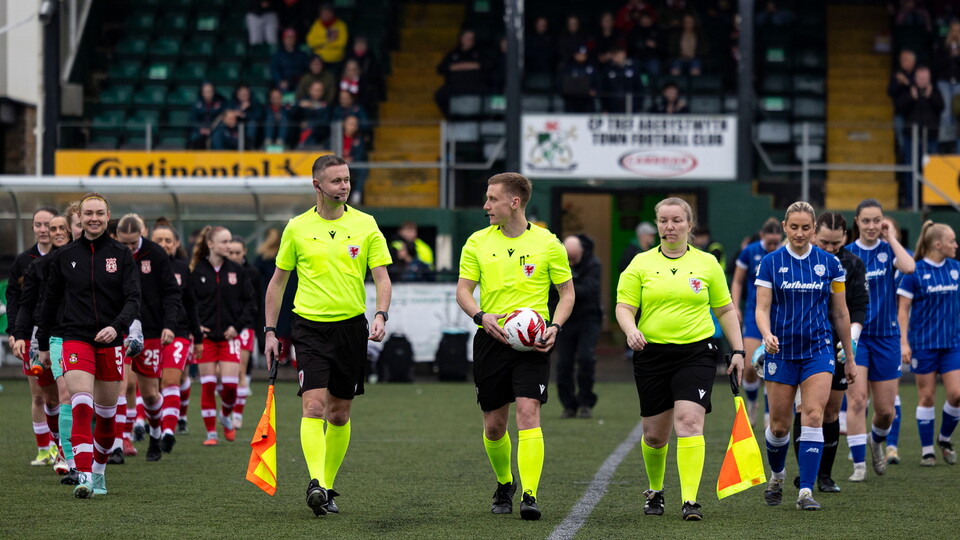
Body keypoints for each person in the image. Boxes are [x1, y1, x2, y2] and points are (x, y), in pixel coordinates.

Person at [263, 154, 393, 516]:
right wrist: (271, 331)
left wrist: (381, 314)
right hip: (309, 328)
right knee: (314, 406)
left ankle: (328, 485)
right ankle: (316, 483)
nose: (344, 186)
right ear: (317, 185)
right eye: (336, 180)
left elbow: (382, 278)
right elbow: (277, 283)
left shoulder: (366, 224)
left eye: (347, 179)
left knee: (339, 414)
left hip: (352, 328)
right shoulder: (297, 227)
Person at [616, 197, 744, 521]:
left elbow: (726, 309)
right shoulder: (640, 263)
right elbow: (624, 307)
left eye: (676, 220)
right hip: (652, 354)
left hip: (696, 353)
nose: (669, 227)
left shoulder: (707, 264)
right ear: (657, 224)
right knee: (655, 435)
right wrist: (631, 330)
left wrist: (739, 350)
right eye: (663, 221)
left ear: (690, 225)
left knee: (688, 422)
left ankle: (690, 501)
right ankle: (655, 490)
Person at [457, 172, 574, 521]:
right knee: (494, 426)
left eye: (492, 199)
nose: (486, 205)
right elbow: (463, 290)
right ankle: (505, 482)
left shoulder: (549, 243)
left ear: (515, 202)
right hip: (492, 339)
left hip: (534, 344)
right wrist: (481, 315)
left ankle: (530, 494)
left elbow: (567, 294)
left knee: (528, 412)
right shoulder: (477, 242)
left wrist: (555, 326)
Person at [35, 193, 141, 498]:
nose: (93, 218)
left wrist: (116, 326)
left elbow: (134, 300)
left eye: (99, 212)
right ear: (79, 218)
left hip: (111, 341)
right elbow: (50, 302)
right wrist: (43, 344)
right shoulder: (64, 256)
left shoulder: (121, 255)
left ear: (108, 216)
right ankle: (81, 474)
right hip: (75, 338)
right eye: (87, 213)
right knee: (81, 404)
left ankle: (98, 473)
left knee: (106, 417)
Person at [755, 202, 856, 511]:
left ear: (814, 229)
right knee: (780, 426)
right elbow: (761, 308)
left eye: (805, 227)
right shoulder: (770, 263)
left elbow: (840, 314)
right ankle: (777, 475)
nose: (800, 233)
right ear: (785, 227)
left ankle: (806, 492)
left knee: (813, 414)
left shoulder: (830, 264)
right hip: (781, 352)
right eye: (794, 227)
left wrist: (849, 358)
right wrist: (767, 334)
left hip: (818, 351)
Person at [790, 212, 868, 493]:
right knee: (806, 408)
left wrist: (852, 340)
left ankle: (825, 475)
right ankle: (805, 475)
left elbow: (857, 305)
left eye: (836, 243)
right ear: (813, 234)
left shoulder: (852, 264)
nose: (830, 248)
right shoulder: (794, 260)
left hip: (836, 343)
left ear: (845, 239)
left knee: (831, 412)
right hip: (802, 344)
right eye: (824, 242)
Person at [846, 199, 915, 481]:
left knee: (885, 411)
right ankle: (859, 465)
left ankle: (876, 441)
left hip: (887, 337)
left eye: (877, 221)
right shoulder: (847, 253)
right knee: (858, 399)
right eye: (866, 221)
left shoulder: (889, 250)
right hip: (857, 337)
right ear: (857, 222)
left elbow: (909, 267)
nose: (872, 226)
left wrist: (892, 237)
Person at [114, 214, 180, 461]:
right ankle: (118, 444)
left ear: (141, 234)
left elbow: (171, 292)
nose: (129, 248)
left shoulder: (155, 254)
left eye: (133, 243)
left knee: (150, 393)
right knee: (122, 386)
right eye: (124, 243)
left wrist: (169, 325)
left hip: (151, 330)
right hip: (119, 329)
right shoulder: (113, 253)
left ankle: (154, 436)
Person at [12, 214, 73, 477]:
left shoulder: (85, 260)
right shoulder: (36, 266)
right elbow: (24, 304)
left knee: (68, 396)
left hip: (76, 337)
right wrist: (20, 335)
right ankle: (56, 446)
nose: (56, 232)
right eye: (52, 228)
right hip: (45, 338)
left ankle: (68, 453)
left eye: (62, 228)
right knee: (48, 399)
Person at [897, 221, 960, 466]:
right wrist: (904, 343)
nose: (955, 244)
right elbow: (903, 310)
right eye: (952, 240)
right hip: (923, 344)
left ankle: (943, 438)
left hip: (952, 343)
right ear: (937, 244)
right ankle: (927, 451)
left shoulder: (956, 269)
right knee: (926, 397)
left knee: (956, 395)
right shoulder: (914, 272)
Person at [190, 226, 256, 446]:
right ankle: (211, 433)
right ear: (210, 244)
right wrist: (197, 326)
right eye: (224, 242)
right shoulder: (197, 270)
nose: (229, 246)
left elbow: (250, 303)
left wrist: (237, 327)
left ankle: (226, 416)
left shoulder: (238, 272)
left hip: (230, 339)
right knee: (208, 385)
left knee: (230, 386)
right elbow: (187, 303)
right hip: (205, 340)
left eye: (230, 242)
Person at [6, 206, 60, 467]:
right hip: (32, 337)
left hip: (60, 335)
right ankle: (43, 450)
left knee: (60, 397)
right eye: (38, 224)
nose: (43, 229)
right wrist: (16, 333)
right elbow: (15, 300)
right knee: (38, 395)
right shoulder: (22, 261)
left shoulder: (67, 257)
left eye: (48, 224)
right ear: (33, 228)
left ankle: (64, 448)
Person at [150, 219, 202, 453]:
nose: (163, 244)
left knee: (170, 380)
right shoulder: (140, 266)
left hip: (178, 333)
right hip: (150, 333)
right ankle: (143, 424)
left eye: (168, 240)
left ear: (176, 243)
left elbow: (191, 304)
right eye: (158, 240)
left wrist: (198, 337)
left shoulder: (182, 268)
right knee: (151, 386)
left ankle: (168, 431)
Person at [730, 218, 783, 421]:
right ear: (762, 236)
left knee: (773, 366)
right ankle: (753, 402)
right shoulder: (750, 252)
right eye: (769, 242)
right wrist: (735, 306)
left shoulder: (784, 253)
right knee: (751, 366)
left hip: (778, 316)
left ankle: (770, 413)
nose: (772, 246)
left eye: (776, 242)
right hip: (755, 313)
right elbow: (737, 281)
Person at [556, 234, 602, 419]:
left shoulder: (594, 264)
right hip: (565, 320)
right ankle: (568, 405)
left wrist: (566, 289)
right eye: (568, 258)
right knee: (563, 364)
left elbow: (591, 290)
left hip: (588, 320)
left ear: (582, 252)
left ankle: (585, 402)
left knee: (586, 359)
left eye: (574, 258)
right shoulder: (558, 262)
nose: (571, 262)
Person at [226, 236, 262, 430]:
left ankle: (237, 415)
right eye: (230, 252)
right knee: (220, 374)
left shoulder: (252, 273)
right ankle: (225, 411)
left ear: (244, 252)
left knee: (240, 369)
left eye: (237, 253)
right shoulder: (219, 272)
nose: (233, 256)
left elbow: (256, 302)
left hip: (245, 327)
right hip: (222, 328)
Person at [435, 29, 485, 117]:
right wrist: (470, 65)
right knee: (440, 95)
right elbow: (441, 69)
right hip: (455, 85)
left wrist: (457, 66)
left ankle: (480, 118)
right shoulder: (453, 54)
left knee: (489, 95)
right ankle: (452, 117)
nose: (469, 40)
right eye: (467, 38)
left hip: (475, 85)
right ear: (461, 39)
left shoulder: (480, 53)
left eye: (471, 38)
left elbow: (486, 65)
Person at [888, 49, 917, 159]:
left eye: (906, 60)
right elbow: (890, 91)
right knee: (901, 141)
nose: (903, 62)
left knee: (914, 142)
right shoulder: (897, 74)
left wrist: (906, 82)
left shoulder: (917, 73)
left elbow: (918, 90)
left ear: (913, 61)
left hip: (913, 114)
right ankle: (905, 162)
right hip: (900, 113)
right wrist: (899, 83)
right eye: (902, 60)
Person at [306, 3, 348, 69]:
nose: (324, 15)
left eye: (327, 12)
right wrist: (326, 41)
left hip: (336, 61)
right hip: (319, 61)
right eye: (323, 13)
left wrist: (321, 45)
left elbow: (342, 43)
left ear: (332, 13)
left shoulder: (340, 25)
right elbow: (310, 42)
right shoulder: (317, 24)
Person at [558, 45, 599, 113]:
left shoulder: (591, 67)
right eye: (579, 54)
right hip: (571, 101)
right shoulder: (568, 68)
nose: (581, 57)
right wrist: (565, 92)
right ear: (575, 55)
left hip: (587, 101)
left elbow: (598, 82)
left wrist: (595, 91)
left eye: (583, 55)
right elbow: (560, 83)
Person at [271, 28, 311, 93]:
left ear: (295, 39)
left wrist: (303, 81)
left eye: (292, 38)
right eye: (287, 38)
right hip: (284, 84)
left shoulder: (302, 55)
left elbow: (307, 70)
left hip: (299, 84)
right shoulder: (277, 55)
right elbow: (274, 70)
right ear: (283, 39)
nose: (289, 40)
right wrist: (280, 81)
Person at [296, 81, 332, 148]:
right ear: (310, 90)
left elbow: (325, 122)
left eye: (319, 90)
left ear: (322, 92)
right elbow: (294, 116)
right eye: (315, 90)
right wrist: (299, 105)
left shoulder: (326, 105)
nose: (316, 93)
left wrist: (310, 123)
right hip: (300, 133)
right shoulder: (303, 102)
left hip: (318, 135)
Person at [341, 115, 368, 205]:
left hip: (353, 164)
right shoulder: (337, 136)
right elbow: (330, 151)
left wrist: (351, 159)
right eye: (350, 124)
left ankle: (357, 194)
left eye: (354, 125)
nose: (352, 127)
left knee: (363, 169)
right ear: (345, 124)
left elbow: (361, 154)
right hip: (338, 164)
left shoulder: (359, 139)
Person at [191, 82, 226, 149]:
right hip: (201, 129)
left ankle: (218, 158)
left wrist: (212, 129)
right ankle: (196, 158)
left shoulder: (221, 103)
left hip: (216, 129)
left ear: (213, 92)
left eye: (210, 91)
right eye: (206, 91)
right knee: (194, 136)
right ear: (202, 93)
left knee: (218, 136)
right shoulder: (196, 104)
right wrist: (200, 129)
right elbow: (193, 120)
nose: (208, 94)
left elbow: (223, 118)